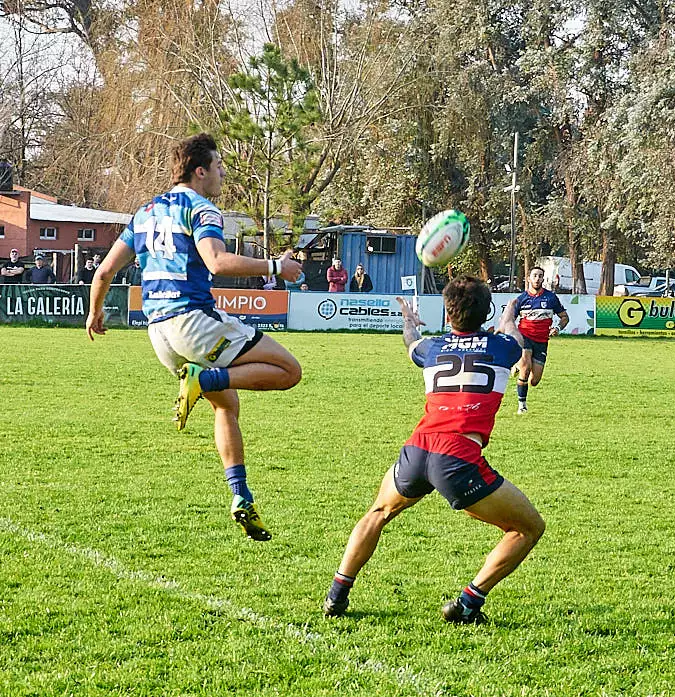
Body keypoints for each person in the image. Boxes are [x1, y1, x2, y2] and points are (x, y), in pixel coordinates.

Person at [86, 133, 303, 542]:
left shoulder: (144, 212)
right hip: (193, 323)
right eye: (218, 166)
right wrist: (275, 266)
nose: (223, 173)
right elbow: (217, 262)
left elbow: (103, 273)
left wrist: (96, 311)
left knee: (228, 406)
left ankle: (240, 495)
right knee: (289, 370)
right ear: (199, 171)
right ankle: (203, 379)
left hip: (159, 336)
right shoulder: (201, 208)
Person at [323, 276, 545, 624]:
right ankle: (468, 604)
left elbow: (411, 342)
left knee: (378, 513)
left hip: (418, 449)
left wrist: (408, 322)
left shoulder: (433, 348)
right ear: (486, 311)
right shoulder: (503, 347)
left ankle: (337, 595)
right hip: (457, 457)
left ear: (447, 312)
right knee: (528, 528)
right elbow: (515, 339)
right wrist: (508, 317)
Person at [510, 267, 569, 414]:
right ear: (529, 278)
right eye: (534, 276)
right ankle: (522, 406)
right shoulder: (521, 299)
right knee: (525, 367)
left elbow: (564, 317)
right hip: (525, 337)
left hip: (542, 341)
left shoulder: (551, 298)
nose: (537, 278)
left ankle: (518, 366)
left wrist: (558, 328)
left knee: (534, 381)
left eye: (540, 276)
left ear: (543, 279)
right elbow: (510, 319)